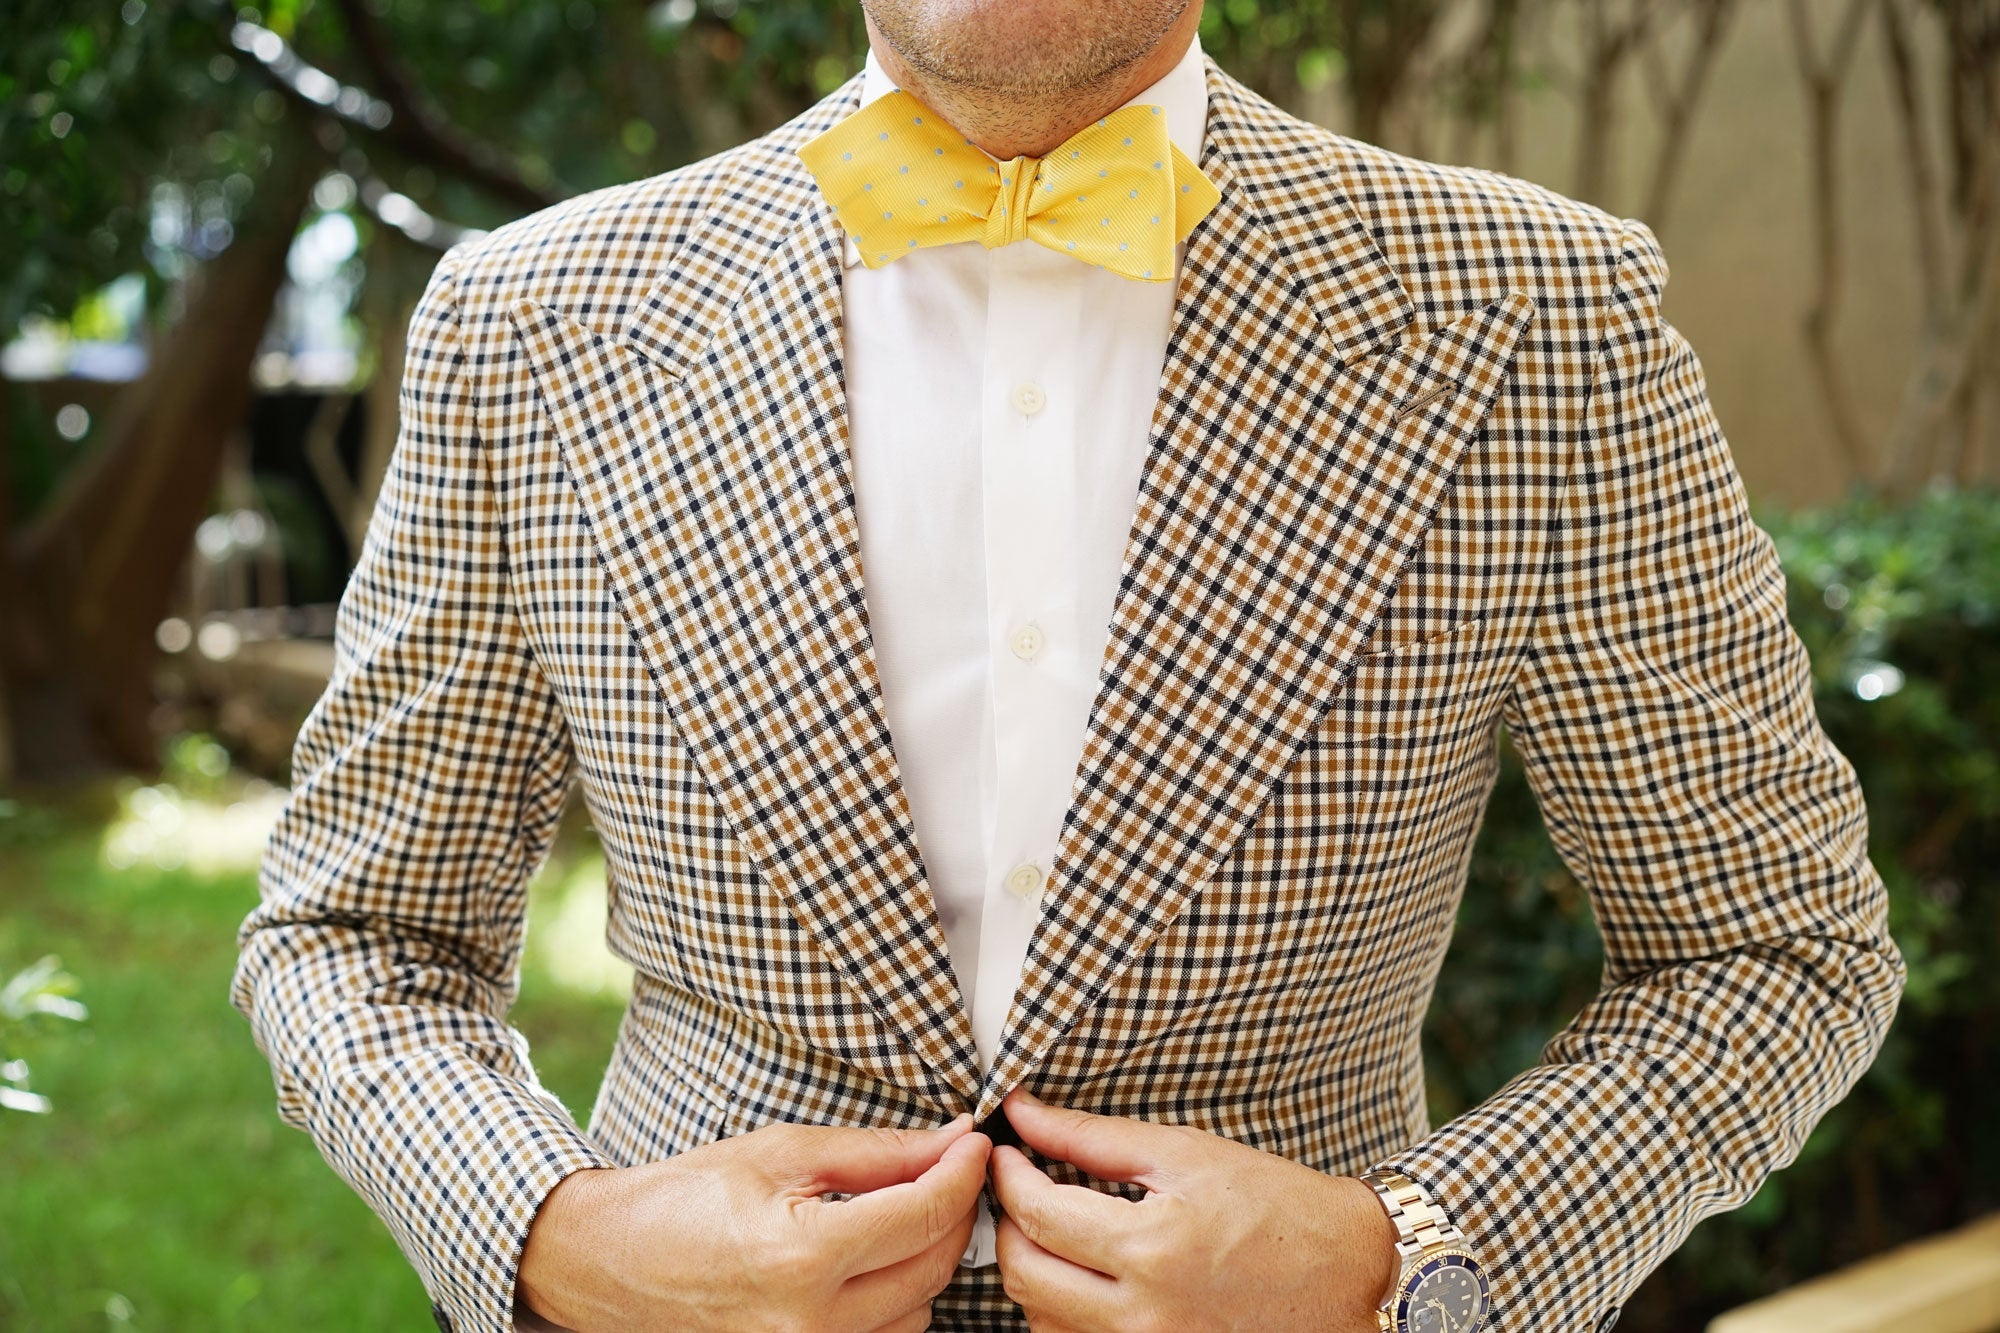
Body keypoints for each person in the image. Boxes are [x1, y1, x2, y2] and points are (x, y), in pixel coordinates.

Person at [229, 1, 1908, 1330]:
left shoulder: (1539, 319)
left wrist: (1413, 1261)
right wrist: (556, 1234)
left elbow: (1773, 951)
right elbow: (352, 933)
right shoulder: (536, 323)